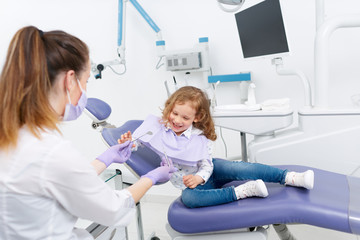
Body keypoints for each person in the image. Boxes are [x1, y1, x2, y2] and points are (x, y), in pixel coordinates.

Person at [0, 26, 175, 240]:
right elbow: (114, 209)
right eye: (86, 82)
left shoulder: (15, 135)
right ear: (70, 80)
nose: (85, 89)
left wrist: (107, 157)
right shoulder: (51, 151)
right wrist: (152, 177)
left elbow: (59, 179)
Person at [120, 86, 314, 208]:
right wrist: (129, 142)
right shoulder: (160, 127)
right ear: (170, 107)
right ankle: (243, 191)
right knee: (189, 200)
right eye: (175, 113)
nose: (177, 120)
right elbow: (140, 143)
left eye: (185, 117)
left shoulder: (199, 137)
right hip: (190, 186)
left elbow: (206, 165)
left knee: (239, 167)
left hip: (209, 171)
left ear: (196, 118)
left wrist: (199, 177)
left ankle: (290, 177)